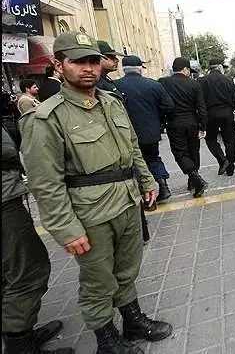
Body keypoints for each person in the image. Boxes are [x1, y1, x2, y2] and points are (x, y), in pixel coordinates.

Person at [19, 32, 172, 353]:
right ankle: (107, 340)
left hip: (127, 202)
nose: (88, 68)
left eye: (92, 61)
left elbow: (132, 148)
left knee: (127, 268)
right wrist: (66, 228)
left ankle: (132, 320)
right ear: (59, 66)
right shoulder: (46, 118)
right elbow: (45, 182)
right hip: (90, 215)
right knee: (98, 280)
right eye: (78, 62)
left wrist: (147, 182)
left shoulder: (112, 103)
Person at [2, 123, 74, 354]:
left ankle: (20, 334)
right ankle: (19, 345)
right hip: (4, 205)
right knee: (28, 272)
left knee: (11, 272)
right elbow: (7, 150)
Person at [114, 55, 175, 208]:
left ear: (123, 69)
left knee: (135, 164)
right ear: (140, 68)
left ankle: (146, 197)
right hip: (150, 131)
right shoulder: (153, 85)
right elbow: (168, 105)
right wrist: (156, 118)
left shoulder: (115, 86)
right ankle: (163, 185)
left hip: (127, 133)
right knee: (153, 158)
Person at [159, 57, 208, 197]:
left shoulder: (163, 83)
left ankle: (194, 178)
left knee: (180, 153)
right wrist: (203, 126)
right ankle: (194, 179)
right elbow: (201, 107)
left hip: (174, 122)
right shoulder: (194, 84)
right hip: (192, 122)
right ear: (185, 69)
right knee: (193, 151)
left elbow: (160, 104)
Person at [198, 58, 235, 176]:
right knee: (230, 140)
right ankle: (230, 165)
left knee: (210, 140)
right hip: (227, 113)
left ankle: (222, 160)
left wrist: (201, 120)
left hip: (210, 114)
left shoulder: (202, 81)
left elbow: (199, 102)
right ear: (219, 67)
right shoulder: (228, 80)